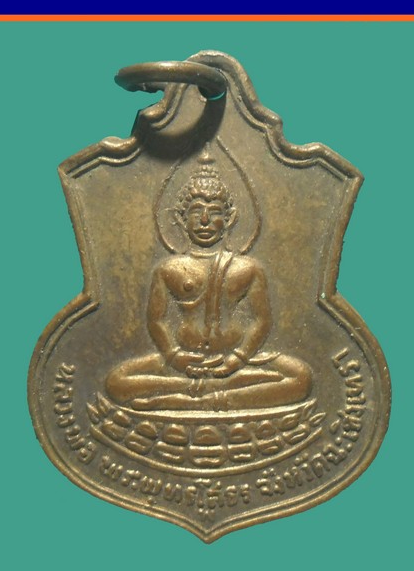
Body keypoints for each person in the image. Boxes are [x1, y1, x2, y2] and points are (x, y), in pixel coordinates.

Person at [106, 158, 312, 411]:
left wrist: (239, 358)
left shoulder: (247, 268)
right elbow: (156, 320)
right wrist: (173, 356)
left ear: (229, 218)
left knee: (301, 377)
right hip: (184, 359)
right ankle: (204, 391)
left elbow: (261, 320)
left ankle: (197, 396)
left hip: (237, 358)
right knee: (116, 381)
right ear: (181, 218)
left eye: (214, 212)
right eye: (196, 212)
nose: (204, 220)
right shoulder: (168, 269)